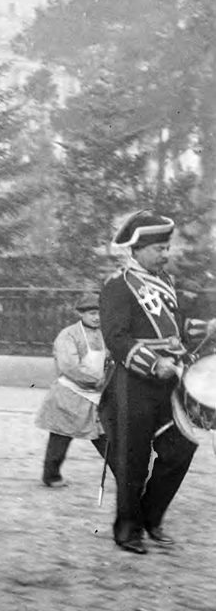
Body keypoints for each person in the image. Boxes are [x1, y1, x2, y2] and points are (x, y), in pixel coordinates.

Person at [98, 210, 216, 554]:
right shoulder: (118, 286)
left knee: (182, 447)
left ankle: (151, 515)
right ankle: (127, 529)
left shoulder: (165, 282)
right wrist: (153, 364)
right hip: (132, 382)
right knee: (133, 458)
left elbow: (173, 328)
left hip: (170, 379)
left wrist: (204, 327)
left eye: (167, 247)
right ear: (137, 249)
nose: (166, 254)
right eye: (159, 248)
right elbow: (116, 339)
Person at [34, 291, 108, 488]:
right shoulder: (68, 335)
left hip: (96, 394)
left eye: (100, 312)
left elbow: (111, 359)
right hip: (70, 392)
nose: (97, 317)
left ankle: (127, 475)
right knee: (61, 436)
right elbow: (69, 366)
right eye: (92, 313)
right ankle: (51, 476)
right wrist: (95, 379)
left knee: (106, 436)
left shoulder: (105, 334)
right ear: (81, 314)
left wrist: (107, 379)